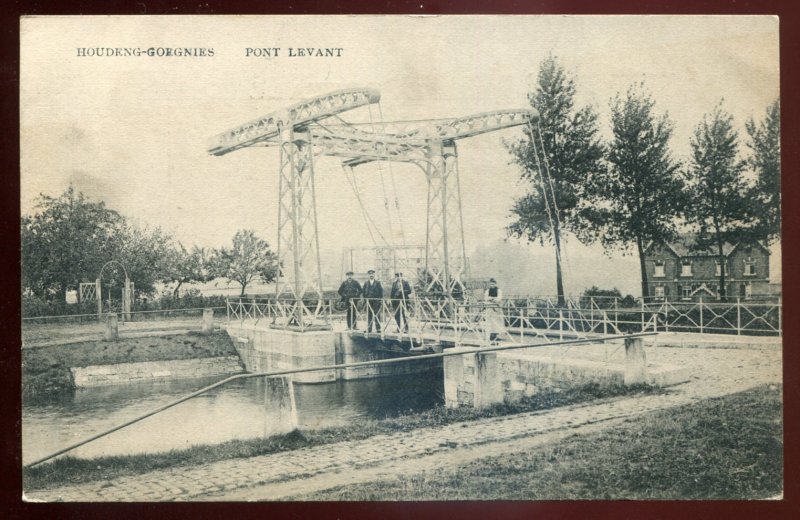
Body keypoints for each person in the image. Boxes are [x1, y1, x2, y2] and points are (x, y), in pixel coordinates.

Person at [483, 278, 504, 343]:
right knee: (489, 321)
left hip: (496, 308)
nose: (492, 285)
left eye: (493, 284)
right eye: (491, 284)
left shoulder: (499, 290)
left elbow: (499, 298)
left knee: (497, 321)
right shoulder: (487, 291)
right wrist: (493, 298)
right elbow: (486, 298)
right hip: (489, 308)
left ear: (495, 284)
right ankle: (490, 335)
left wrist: (492, 299)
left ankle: (495, 334)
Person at [362, 269, 383, 333]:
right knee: (369, 315)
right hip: (369, 301)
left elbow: (381, 292)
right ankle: (369, 328)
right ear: (368, 275)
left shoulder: (378, 283)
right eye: (370, 274)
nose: (371, 275)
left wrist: (379, 300)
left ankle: (378, 329)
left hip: (376, 301)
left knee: (377, 314)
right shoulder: (366, 283)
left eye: (372, 274)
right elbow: (363, 292)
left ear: (374, 275)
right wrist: (365, 300)